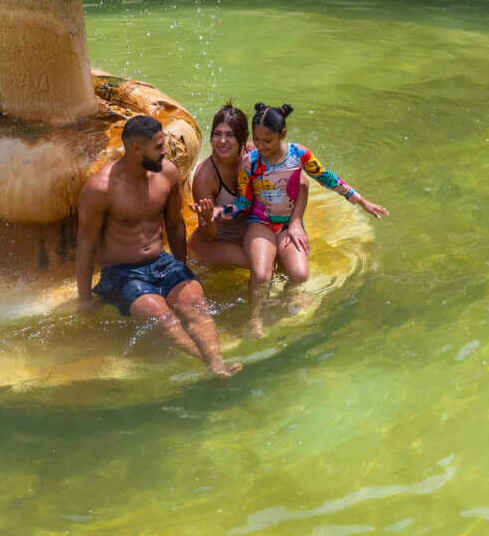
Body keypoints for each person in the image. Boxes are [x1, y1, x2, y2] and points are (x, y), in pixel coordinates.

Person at [77, 113, 235, 375]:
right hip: (122, 273)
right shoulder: (101, 188)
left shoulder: (167, 174)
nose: (165, 151)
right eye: (159, 147)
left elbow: (175, 224)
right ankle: (211, 364)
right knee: (163, 319)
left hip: (162, 262)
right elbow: (86, 243)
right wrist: (83, 298)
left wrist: (182, 267)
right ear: (136, 149)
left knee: (197, 305)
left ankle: (216, 361)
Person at [238, 102, 388, 337]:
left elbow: (326, 177)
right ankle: (254, 317)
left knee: (299, 275)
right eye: (256, 140)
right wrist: (221, 211)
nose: (261, 146)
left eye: (267, 140)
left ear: (282, 134)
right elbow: (243, 201)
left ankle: (282, 299)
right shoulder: (251, 161)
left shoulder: (299, 154)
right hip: (261, 222)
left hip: (287, 224)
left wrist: (360, 200)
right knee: (261, 275)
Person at [187, 103, 255, 272]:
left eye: (230, 135)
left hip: (249, 233)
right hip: (218, 241)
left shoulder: (255, 153)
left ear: (244, 136)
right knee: (257, 264)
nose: (222, 141)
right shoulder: (206, 176)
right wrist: (208, 217)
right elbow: (208, 236)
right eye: (217, 134)